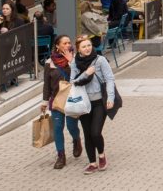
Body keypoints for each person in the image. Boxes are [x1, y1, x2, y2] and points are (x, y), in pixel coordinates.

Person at [66, 35, 116, 174]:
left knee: (95, 132)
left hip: (100, 102)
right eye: (84, 46)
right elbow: (73, 82)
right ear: (78, 49)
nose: (87, 48)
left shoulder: (100, 60)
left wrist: (110, 98)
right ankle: (92, 163)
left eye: (89, 45)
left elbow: (110, 79)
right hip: (84, 104)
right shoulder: (75, 63)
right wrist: (86, 74)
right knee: (87, 134)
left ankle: (101, 155)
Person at [40, 34, 82, 170]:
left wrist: (71, 62)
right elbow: (47, 84)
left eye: (69, 43)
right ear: (57, 46)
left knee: (71, 126)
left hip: (71, 100)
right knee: (58, 128)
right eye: (64, 43)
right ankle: (61, 156)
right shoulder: (49, 62)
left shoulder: (76, 59)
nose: (67, 45)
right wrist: (44, 102)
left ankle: (76, 140)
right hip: (56, 100)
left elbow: (79, 77)